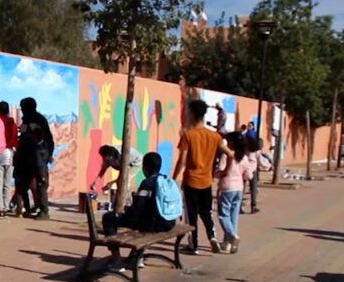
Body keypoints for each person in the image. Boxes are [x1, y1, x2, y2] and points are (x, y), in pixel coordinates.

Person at [173, 99, 233, 254]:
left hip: (191, 180)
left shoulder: (188, 135)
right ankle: (212, 237)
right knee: (206, 212)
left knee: (191, 215)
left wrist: (173, 178)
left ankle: (193, 245)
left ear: (192, 114)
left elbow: (182, 160)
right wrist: (225, 170)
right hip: (207, 180)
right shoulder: (214, 136)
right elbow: (230, 154)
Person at [102, 152, 177, 270]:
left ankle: (116, 260)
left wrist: (127, 210)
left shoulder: (147, 183)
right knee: (142, 222)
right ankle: (137, 257)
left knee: (109, 218)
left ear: (145, 167)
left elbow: (138, 210)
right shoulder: (165, 180)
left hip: (154, 224)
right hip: (169, 222)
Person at [15, 97, 54, 220]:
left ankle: (44, 210)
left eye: (23, 107)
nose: (21, 109)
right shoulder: (28, 120)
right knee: (24, 184)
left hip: (38, 156)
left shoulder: (37, 120)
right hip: (27, 157)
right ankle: (27, 208)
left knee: (40, 183)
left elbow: (47, 138)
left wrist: (47, 155)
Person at [216, 132, 255, 254]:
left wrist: (217, 174)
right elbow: (249, 175)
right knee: (233, 216)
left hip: (227, 188)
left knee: (223, 215)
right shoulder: (244, 158)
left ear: (231, 143)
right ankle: (228, 244)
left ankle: (232, 235)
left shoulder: (227, 156)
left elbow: (221, 171)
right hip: (239, 189)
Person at [0, 101, 19, 218]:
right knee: (7, 183)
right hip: (9, 153)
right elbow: (15, 139)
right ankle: (5, 207)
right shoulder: (13, 124)